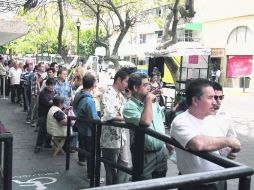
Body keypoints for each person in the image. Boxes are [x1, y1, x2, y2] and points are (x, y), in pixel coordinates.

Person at [170, 78, 241, 190]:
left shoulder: (210, 118)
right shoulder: (181, 121)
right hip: (195, 185)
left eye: (217, 97)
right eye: (210, 97)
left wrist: (228, 151)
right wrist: (228, 141)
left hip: (218, 181)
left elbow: (215, 143)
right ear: (195, 101)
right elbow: (198, 143)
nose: (215, 102)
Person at [123, 72, 168, 180]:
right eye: (145, 85)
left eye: (148, 84)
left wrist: (167, 142)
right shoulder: (129, 107)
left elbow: (161, 122)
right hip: (144, 156)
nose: (149, 87)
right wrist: (148, 100)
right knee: (143, 184)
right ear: (135, 88)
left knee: (161, 184)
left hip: (161, 152)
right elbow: (145, 122)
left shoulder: (153, 102)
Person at [100, 67, 131, 185]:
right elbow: (109, 114)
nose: (127, 85)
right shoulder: (108, 94)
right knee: (111, 170)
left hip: (121, 137)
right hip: (110, 139)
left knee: (124, 164)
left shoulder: (121, 96)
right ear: (119, 80)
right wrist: (127, 118)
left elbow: (125, 111)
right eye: (126, 82)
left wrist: (128, 97)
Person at [73, 72, 99, 179]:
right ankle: (91, 174)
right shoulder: (89, 100)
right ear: (93, 84)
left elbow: (74, 108)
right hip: (89, 130)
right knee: (91, 153)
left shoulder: (79, 94)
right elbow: (94, 118)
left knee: (83, 148)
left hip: (81, 126)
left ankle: (83, 162)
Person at [211, 81, 237, 159]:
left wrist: (232, 150)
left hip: (221, 163)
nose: (218, 101)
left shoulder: (225, 114)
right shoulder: (200, 114)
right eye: (215, 97)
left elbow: (231, 136)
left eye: (221, 97)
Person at [34, 78, 55, 153]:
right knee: (42, 130)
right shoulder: (43, 93)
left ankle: (47, 143)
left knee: (49, 129)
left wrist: (52, 101)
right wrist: (52, 101)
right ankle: (38, 146)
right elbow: (48, 103)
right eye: (50, 85)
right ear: (47, 85)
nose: (52, 87)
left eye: (53, 85)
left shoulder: (52, 92)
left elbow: (52, 101)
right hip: (43, 114)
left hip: (50, 113)